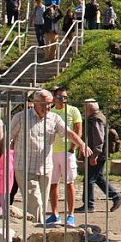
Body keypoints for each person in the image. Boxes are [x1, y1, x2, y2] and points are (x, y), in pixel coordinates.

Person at [8, 89, 91, 224]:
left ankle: (32, 230)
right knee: (35, 202)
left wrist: (81, 144)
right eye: (43, 104)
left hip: (45, 168)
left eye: (49, 104)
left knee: (42, 202)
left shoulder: (54, 118)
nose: (47, 107)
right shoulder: (20, 117)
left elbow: (69, 132)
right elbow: (8, 138)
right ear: (35, 103)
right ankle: (36, 231)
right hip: (24, 167)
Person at [76, 99, 121, 214]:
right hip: (97, 153)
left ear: (89, 109)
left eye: (84, 107)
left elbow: (99, 138)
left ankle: (89, 205)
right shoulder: (98, 117)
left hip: (96, 154)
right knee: (98, 178)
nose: (82, 110)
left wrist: (95, 155)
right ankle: (116, 196)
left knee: (89, 179)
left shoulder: (96, 119)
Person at [45, 87, 82, 227]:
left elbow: (78, 129)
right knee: (53, 183)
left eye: (65, 97)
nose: (63, 100)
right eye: (60, 97)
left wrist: (73, 148)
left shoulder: (73, 110)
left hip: (67, 151)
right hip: (52, 151)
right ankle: (54, 214)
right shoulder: (51, 111)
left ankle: (71, 214)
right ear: (55, 98)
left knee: (69, 182)